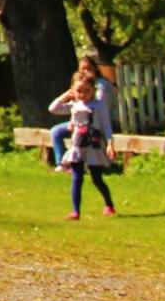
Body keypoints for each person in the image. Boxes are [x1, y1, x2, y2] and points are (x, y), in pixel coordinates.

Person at [47, 76, 116, 220]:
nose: (83, 94)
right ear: (73, 90)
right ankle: (75, 211)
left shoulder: (99, 106)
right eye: (79, 91)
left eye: (87, 91)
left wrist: (110, 143)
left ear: (93, 90)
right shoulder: (75, 105)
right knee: (77, 178)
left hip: (93, 146)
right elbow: (53, 108)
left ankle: (109, 204)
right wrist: (66, 95)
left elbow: (106, 125)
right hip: (78, 146)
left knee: (96, 178)